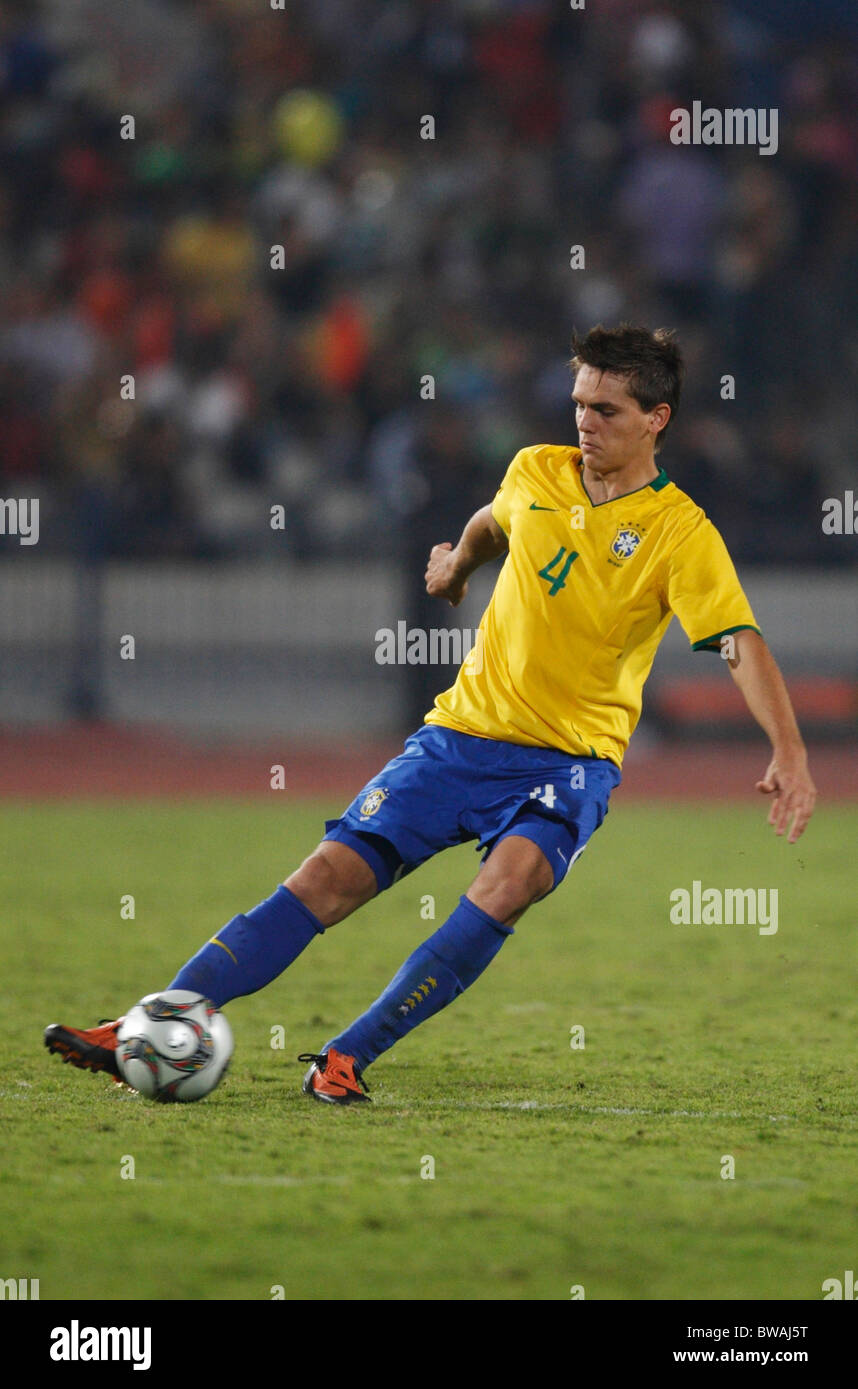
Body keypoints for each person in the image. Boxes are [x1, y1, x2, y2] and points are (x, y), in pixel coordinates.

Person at [45, 324, 817, 1104]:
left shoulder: (680, 532)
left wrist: (787, 751)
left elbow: (738, 644)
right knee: (327, 880)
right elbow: (492, 521)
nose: (585, 422)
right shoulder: (536, 471)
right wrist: (456, 565)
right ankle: (149, 1021)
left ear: (657, 419)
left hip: (569, 762)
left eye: (607, 411)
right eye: (579, 404)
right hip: (458, 737)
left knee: (508, 884)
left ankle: (345, 1056)